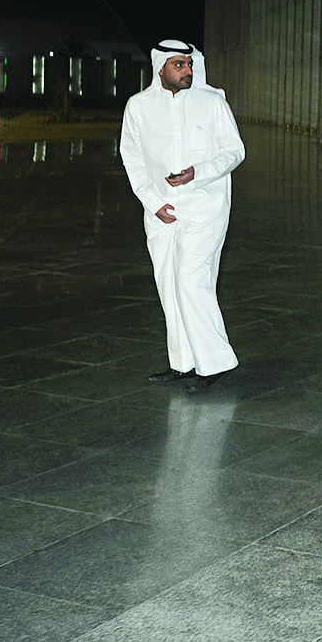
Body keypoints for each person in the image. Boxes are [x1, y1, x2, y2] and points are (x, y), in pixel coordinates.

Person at [120, 39, 246, 394]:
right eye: (179, 65)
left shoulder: (212, 102)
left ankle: (216, 361)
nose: (187, 71)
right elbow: (132, 158)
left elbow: (235, 151)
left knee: (192, 281)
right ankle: (183, 363)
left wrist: (199, 172)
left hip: (205, 206)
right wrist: (151, 201)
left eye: (189, 65)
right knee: (169, 285)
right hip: (160, 210)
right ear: (160, 68)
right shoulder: (139, 107)